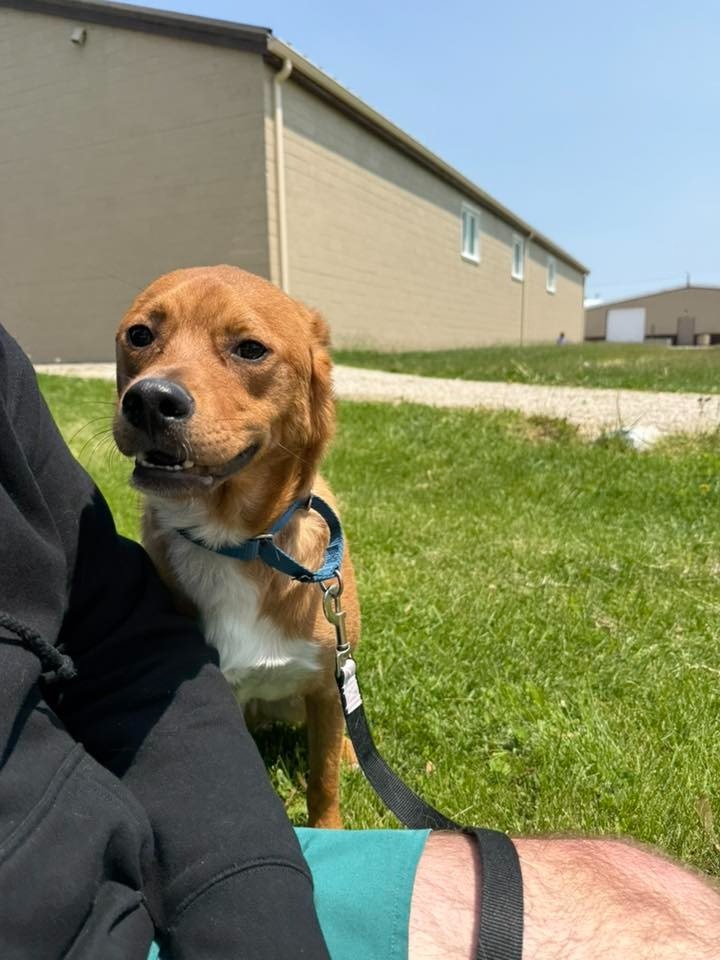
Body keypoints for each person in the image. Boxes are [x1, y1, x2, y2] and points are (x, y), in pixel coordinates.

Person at [1, 321, 718, 960]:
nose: (159, 385)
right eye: (143, 341)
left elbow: (131, 670)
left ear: (314, 400)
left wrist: (326, 808)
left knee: (657, 907)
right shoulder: (139, 569)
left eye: (246, 351)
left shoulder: (96, 572)